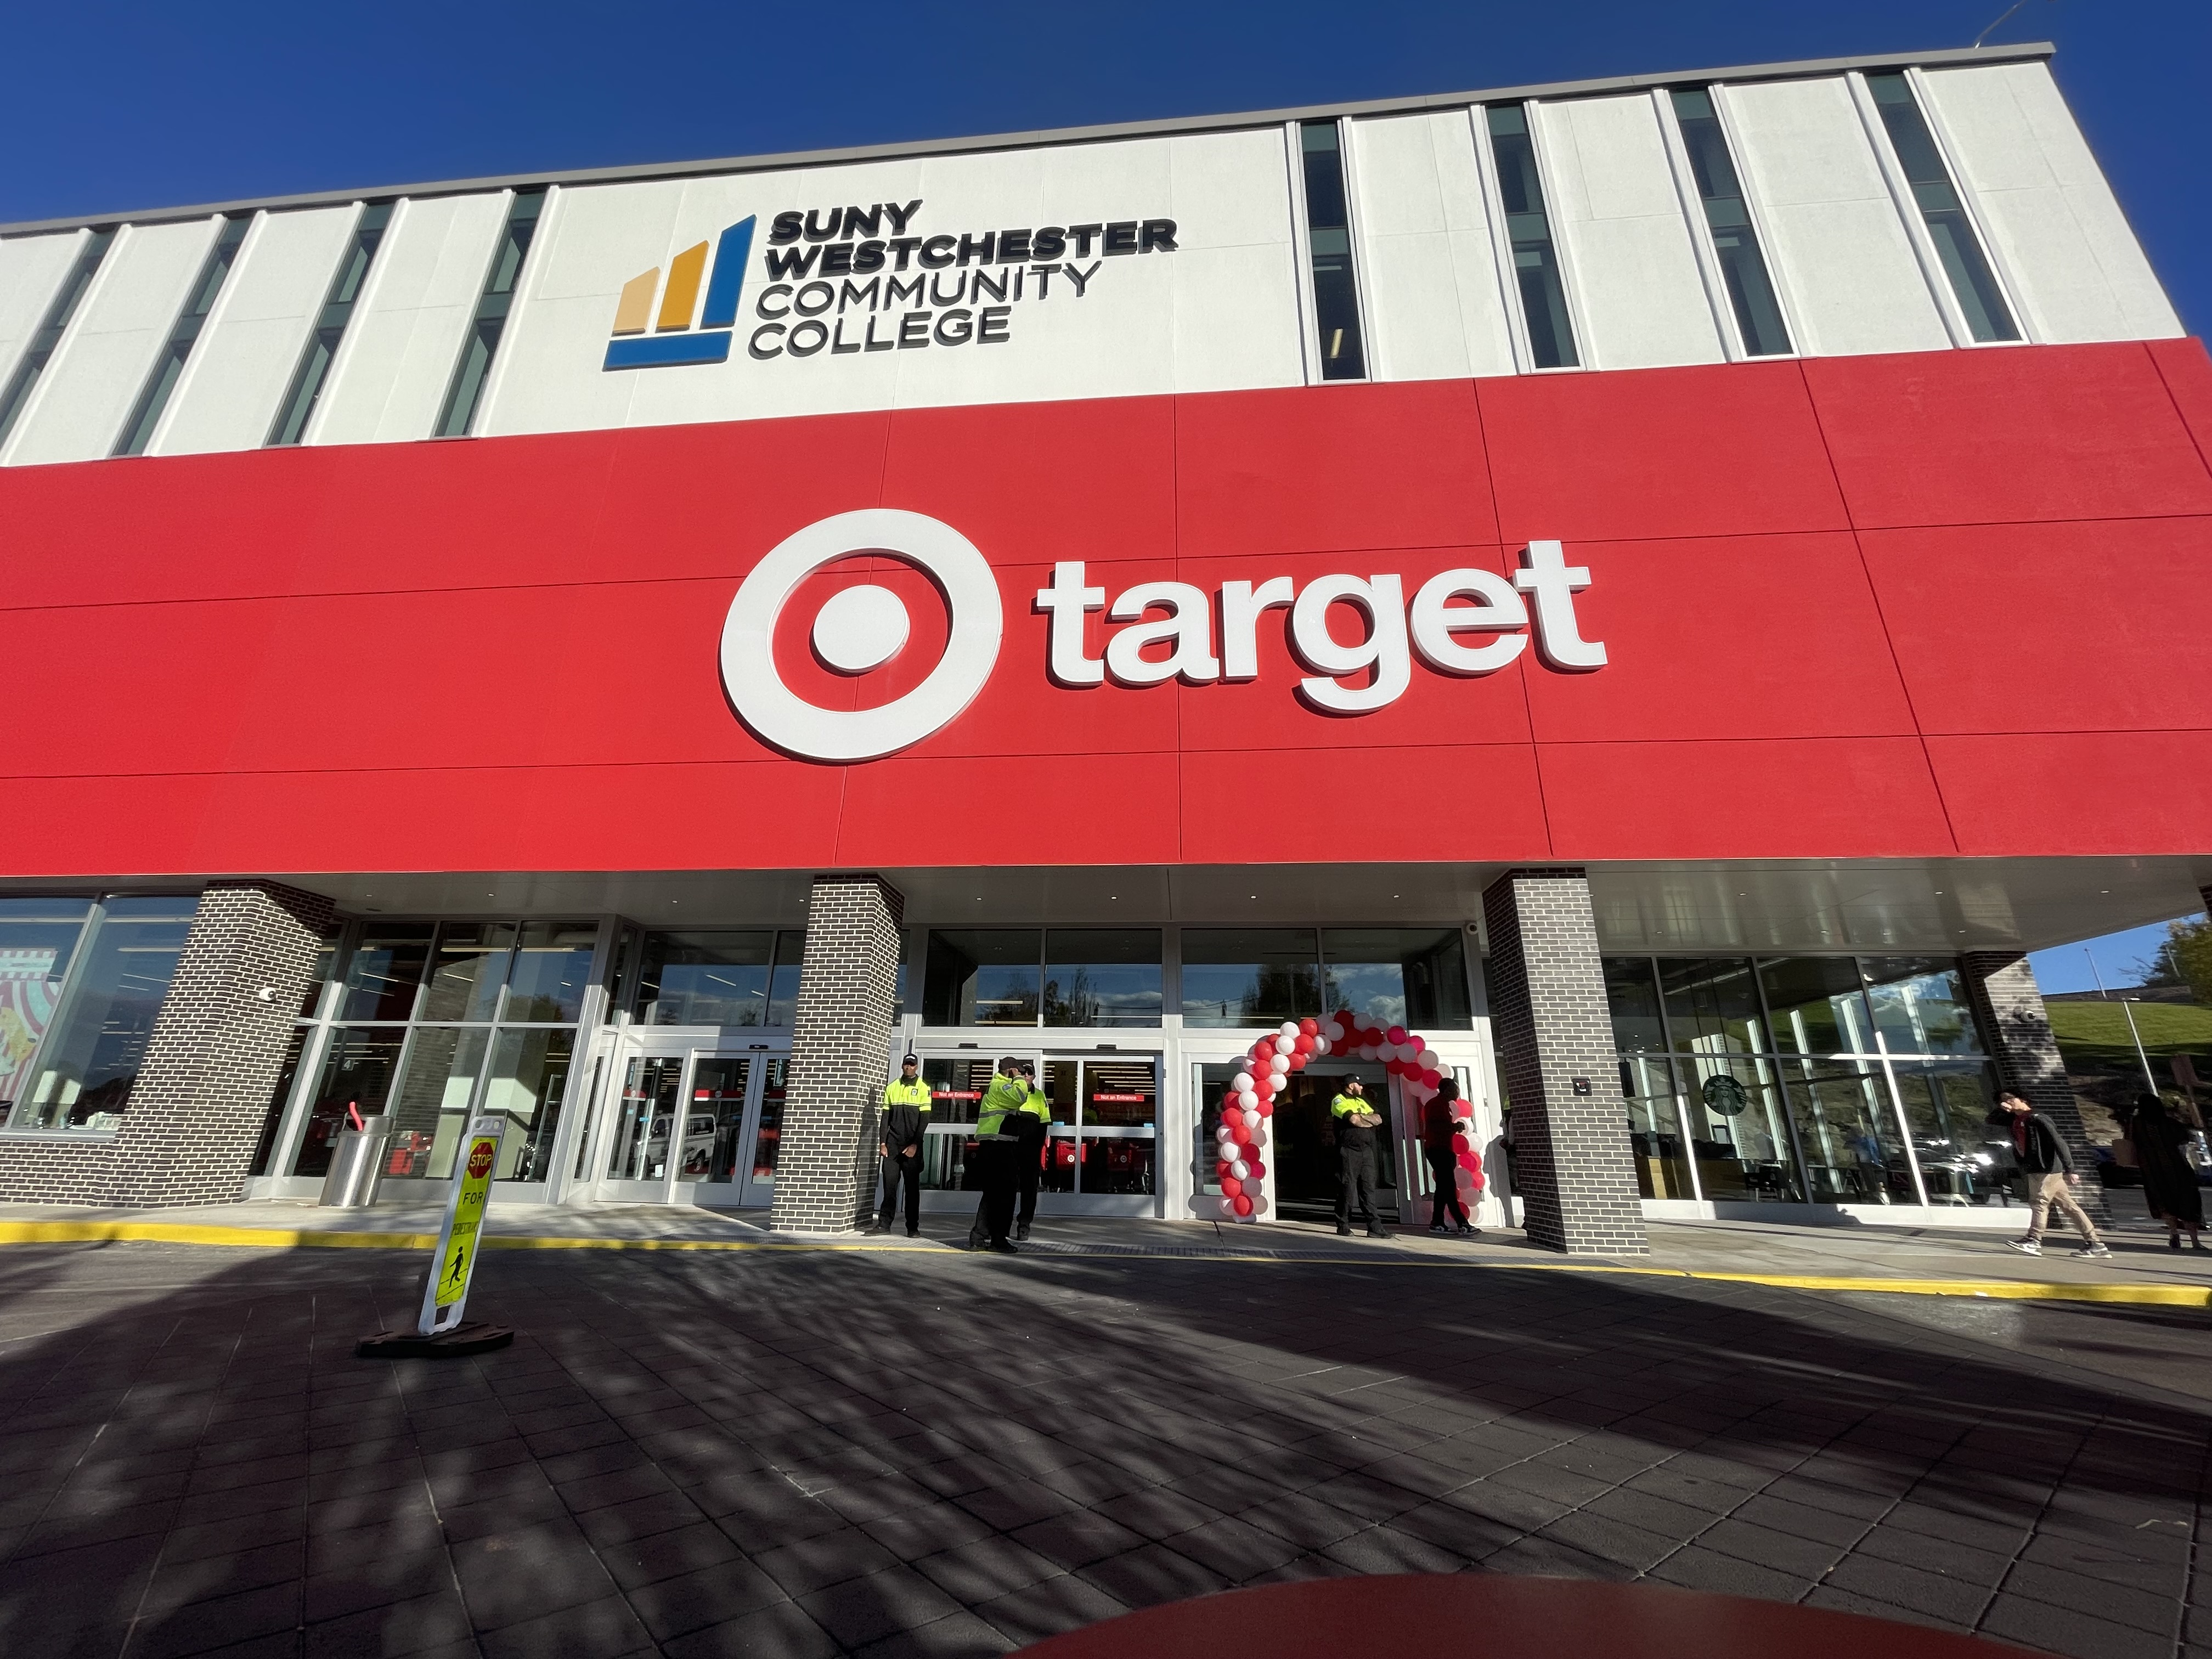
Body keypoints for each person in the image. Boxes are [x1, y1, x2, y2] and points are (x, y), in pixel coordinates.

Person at [1991, 1091, 2109, 1258]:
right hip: (2034, 1168)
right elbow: (1991, 1120)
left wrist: (2070, 1169)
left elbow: (2058, 1141)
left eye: (2010, 1098)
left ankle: (2034, 1239)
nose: (2007, 1102)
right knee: (2069, 1206)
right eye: (2003, 1100)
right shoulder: (2014, 1119)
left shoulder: (2038, 1118)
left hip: (2046, 1169)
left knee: (2039, 1202)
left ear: (2023, 1099)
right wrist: (2002, 1110)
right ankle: (2095, 1243)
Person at [2128, 1093, 2205, 1252]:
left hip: (2152, 1169)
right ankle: (2195, 1241)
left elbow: (2130, 1139)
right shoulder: (2170, 1123)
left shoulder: (2137, 1123)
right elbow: (2184, 1139)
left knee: (2163, 1202)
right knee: (2188, 1202)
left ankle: (2174, 1233)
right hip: (2177, 1167)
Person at [967, 1057, 1028, 1253]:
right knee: (1005, 1195)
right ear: (1011, 1070)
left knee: (993, 1194)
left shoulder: (997, 1086)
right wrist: (1018, 1079)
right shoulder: (1001, 1086)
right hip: (998, 1146)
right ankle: (998, 1240)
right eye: (1019, 1071)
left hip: (996, 1145)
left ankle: (980, 1237)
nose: (1022, 1075)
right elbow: (1020, 1096)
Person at [870, 1054, 930, 1237]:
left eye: (912, 1065)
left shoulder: (924, 1088)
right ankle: (884, 1225)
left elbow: (924, 1120)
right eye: (906, 1064)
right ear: (903, 1066)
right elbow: (885, 1118)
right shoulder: (892, 1087)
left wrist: (915, 1145)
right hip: (893, 1145)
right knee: (889, 1187)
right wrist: (883, 1143)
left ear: (917, 1067)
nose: (908, 1067)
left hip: (912, 1145)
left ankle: (912, 1228)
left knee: (912, 1189)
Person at [1331, 1076, 1388, 1239]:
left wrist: (1363, 1118)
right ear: (1351, 1085)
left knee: (1368, 1189)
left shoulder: (1361, 1100)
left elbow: (1378, 1119)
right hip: (1349, 1151)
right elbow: (1354, 1120)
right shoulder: (1339, 1100)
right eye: (1359, 1084)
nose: (1362, 1087)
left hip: (1366, 1151)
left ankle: (1375, 1228)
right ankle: (1343, 1225)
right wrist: (1365, 1119)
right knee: (1347, 1189)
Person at [1423, 1079, 1479, 1237]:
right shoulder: (1436, 1104)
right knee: (1448, 1186)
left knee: (1443, 1188)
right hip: (1438, 1149)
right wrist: (1454, 1127)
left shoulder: (1444, 1105)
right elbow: (1437, 1126)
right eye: (1455, 1089)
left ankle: (1437, 1222)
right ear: (1447, 1090)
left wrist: (1453, 1128)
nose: (1457, 1092)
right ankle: (1462, 1223)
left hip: (1444, 1149)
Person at [1011, 1066, 1051, 1241]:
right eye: (1023, 1072)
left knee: (1029, 1189)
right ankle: (998, 1226)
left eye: (1029, 1072)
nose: (1026, 1075)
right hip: (1011, 1148)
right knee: (1006, 1188)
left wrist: (1037, 1148)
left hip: (1031, 1150)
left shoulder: (1039, 1095)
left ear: (1034, 1076)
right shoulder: (1010, 1091)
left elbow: (1044, 1123)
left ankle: (1024, 1225)